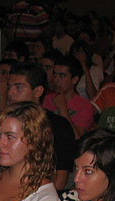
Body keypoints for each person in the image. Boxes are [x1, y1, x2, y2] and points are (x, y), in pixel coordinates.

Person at [6, 62, 76, 191]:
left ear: (38, 91)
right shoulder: (7, 123)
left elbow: (60, 182)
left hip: (38, 195)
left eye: (19, 88)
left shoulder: (58, 126)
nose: (10, 93)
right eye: (9, 87)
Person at [42, 55, 94, 139]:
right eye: (55, 75)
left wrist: (62, 108)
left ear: (74, 80)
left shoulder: (85, 106)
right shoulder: (45, 99)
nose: (56, 80)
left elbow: (76, 139)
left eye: (62, 76)